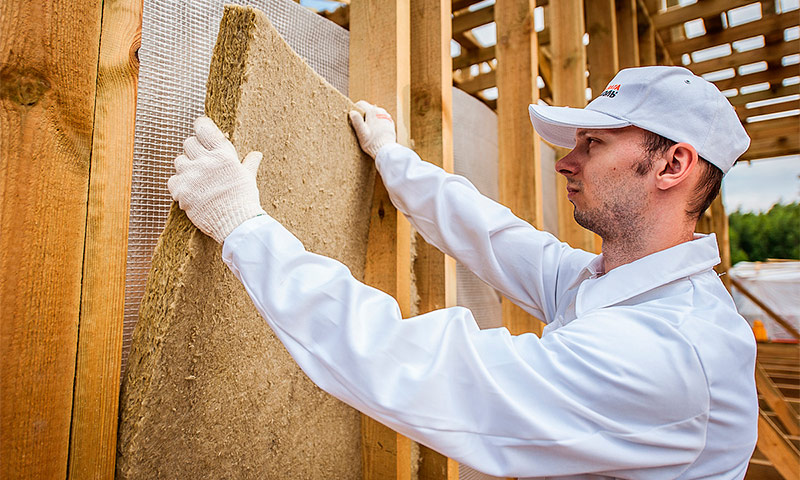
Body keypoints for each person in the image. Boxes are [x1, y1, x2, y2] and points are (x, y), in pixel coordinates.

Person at [168, 66, 758, 479]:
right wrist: (393, 159)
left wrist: (243, 226)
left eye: (594, 143)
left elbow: (414, 366)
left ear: (672, 163)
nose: (566, 162)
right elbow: (497, 237)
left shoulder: (667, 353)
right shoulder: (620, 287)